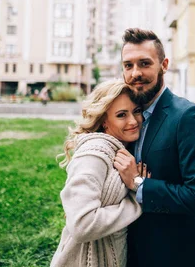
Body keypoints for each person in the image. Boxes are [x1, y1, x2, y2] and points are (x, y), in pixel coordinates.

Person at [113, 28, 195, 267]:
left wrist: (138, 184)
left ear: (164, 65)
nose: (135, 73)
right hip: (131, 252)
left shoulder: (187, 116)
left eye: (144, 63)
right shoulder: (127, 117)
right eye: (128, 65)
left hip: (175, 254)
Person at [51, 79, 150, 267]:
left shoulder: (121, 150)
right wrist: (136, 199)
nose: (133, 121)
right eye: (121, 115)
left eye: (136, 111)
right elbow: (82, 225)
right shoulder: (94, 154)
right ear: (104, 121)